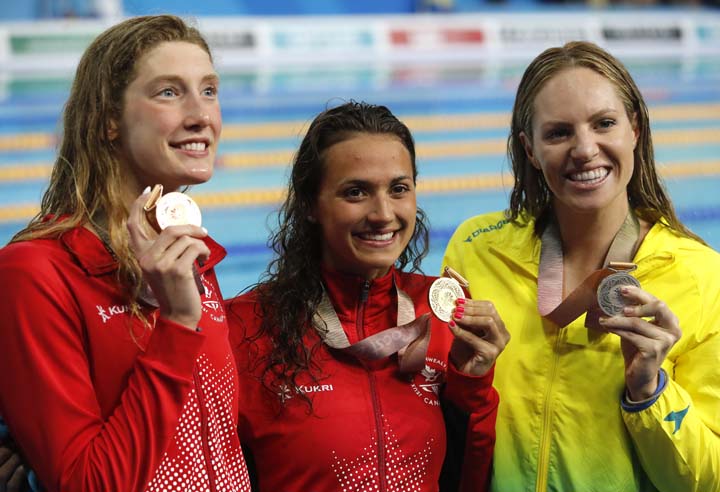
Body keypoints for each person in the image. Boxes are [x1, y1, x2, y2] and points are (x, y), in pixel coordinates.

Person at [442, 41, 720, 492]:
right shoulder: (477, 250)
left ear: (635, 129)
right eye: (558, 133)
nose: (585, 149)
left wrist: (650, 392)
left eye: (604, 123)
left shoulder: (703, 277)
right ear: (529, 149)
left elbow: (708, 480)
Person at [0, 15, 251, 492]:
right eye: (169, 92)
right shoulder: (35, 273)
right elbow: (87, 483)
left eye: (210, 90)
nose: (201, 115)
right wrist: (177, 322)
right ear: (109, 119)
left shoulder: (191, 259)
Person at [226, 101, 509, 492]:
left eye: (398, 189)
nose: (383, 213)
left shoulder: (441, 313)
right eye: (356, 192)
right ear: (310, 204)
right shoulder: (244, 327)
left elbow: (469, 477)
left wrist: (473, 383)